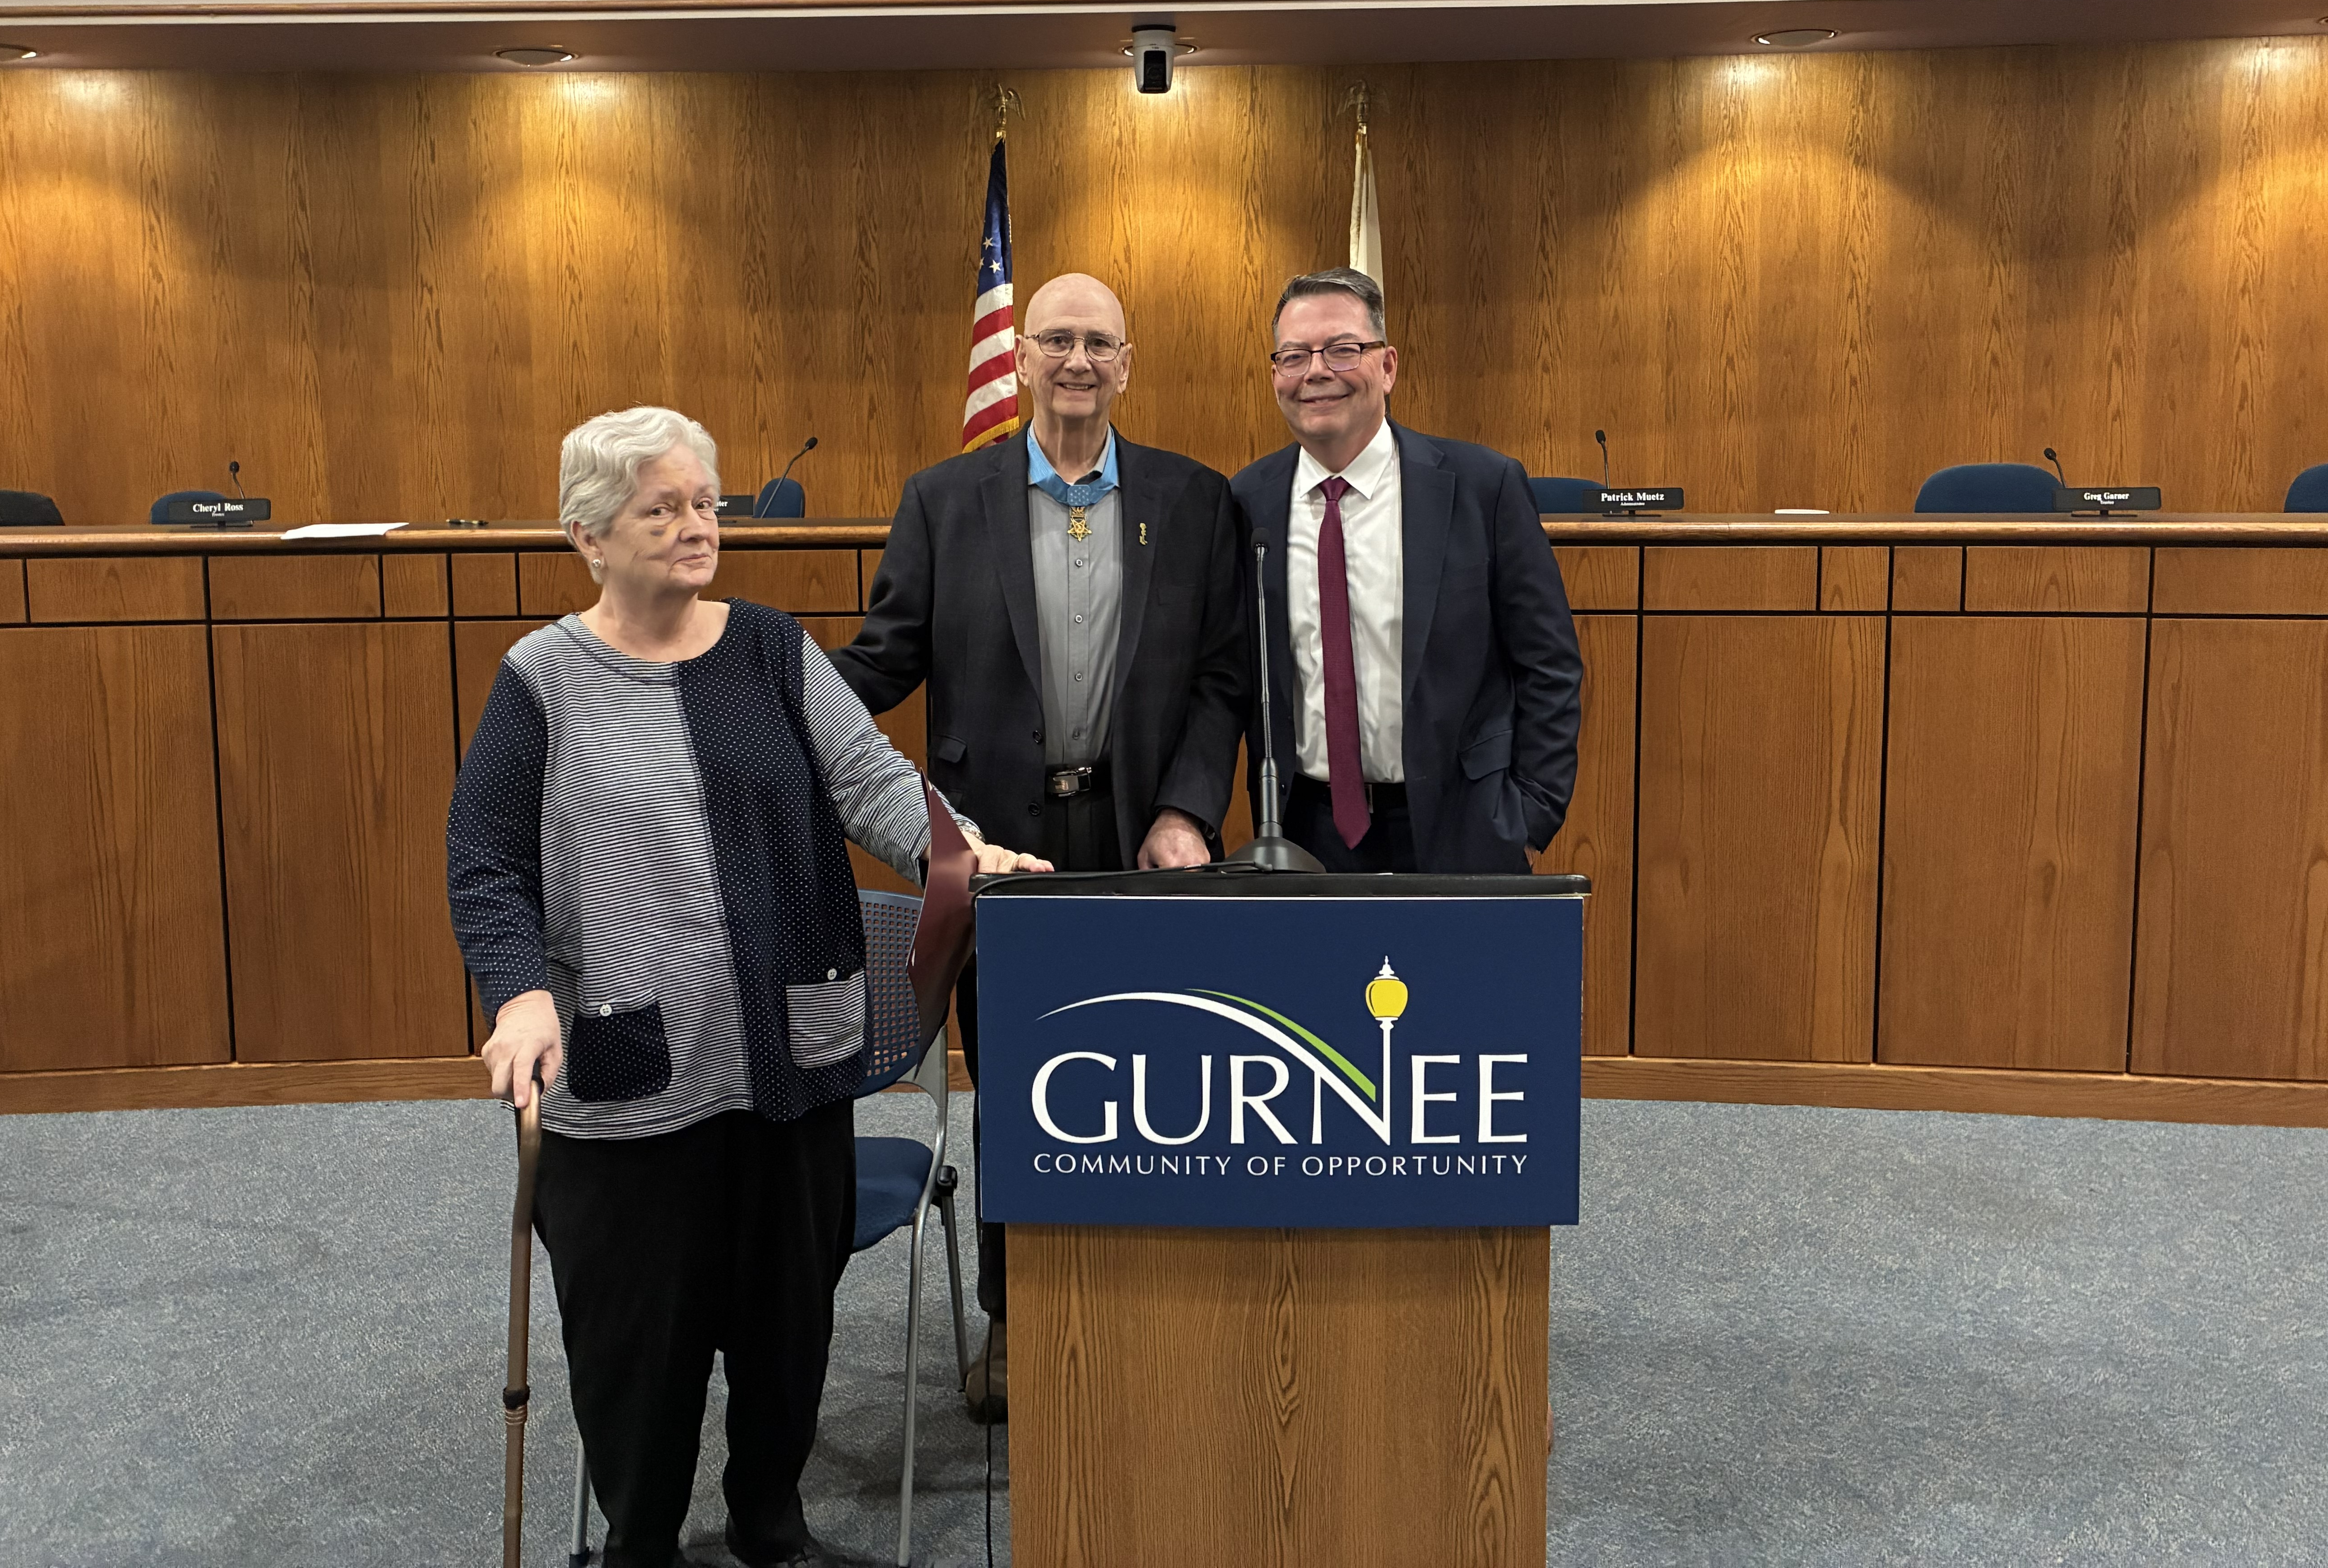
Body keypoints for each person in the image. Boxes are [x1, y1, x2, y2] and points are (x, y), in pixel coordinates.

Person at [449, 405, 1047, 1568]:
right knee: (642, 1348)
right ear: (588, 534)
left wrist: (969, 853)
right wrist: (519, 992)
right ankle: (644, 1541)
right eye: (660, 507)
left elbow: (876, 781)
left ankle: (775, 1526)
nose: (694, 525)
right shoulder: (543, 680)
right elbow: (486, 863)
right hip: (627, 1096)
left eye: (706, 502)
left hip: (788, 1074)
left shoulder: (773, 652)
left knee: (786, 1335)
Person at [830, 271, 1248, 1421]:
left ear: (1128, 362)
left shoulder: (1195, 499)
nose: (1075, 360)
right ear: (1018, 360)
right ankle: (1019, 1326)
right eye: (1053, 339)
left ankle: (1149, 1301)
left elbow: (1221, 679)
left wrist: (1188, 811)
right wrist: (767, 684)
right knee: (1024, 1085)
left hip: (1140, 840)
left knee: (1162, 1074)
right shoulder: (943, 499)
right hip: (1004, 853)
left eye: (1097, 343)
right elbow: (886, 657)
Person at [1232, 266, 1582, 875]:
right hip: (1306, 836)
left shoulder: (1482, 487)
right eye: (1294, 357)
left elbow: (1549, 663)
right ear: (1275, 376)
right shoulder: (1246, 503)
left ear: (1388, 366)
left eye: (1343, 351)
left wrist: (1530, 813)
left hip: (1463, 828)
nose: (1316, 372)